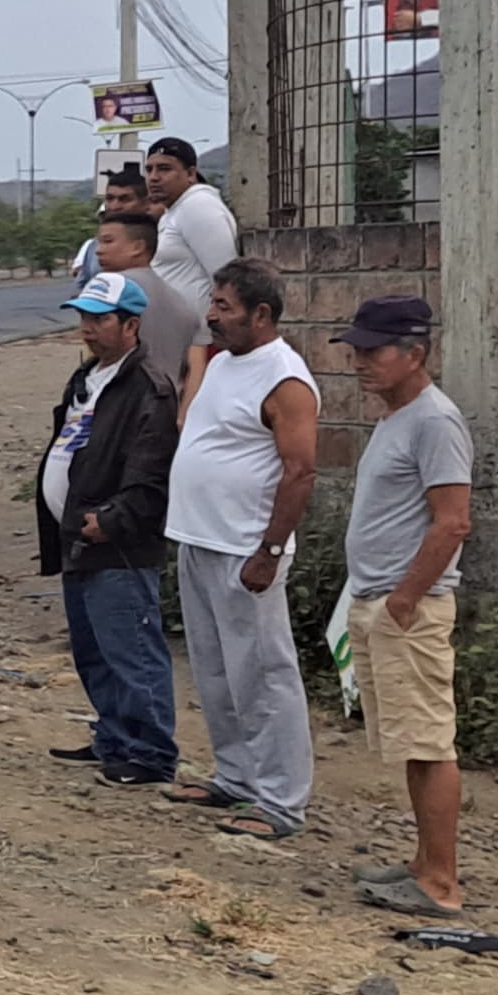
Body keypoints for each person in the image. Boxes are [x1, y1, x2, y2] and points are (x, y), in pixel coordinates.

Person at [333, 295, 476, 916]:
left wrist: (405, 598)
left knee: (429, 741)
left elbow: (452, 523)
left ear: (415, 353)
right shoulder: (398, 417)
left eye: (374, 351)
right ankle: (423, 864)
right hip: (382, 600)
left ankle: (442, 882)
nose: (360, 362)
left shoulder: (435, 421)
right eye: (357, 351)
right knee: (411, 743)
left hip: (408, 608)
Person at [169, 258, 319, 837]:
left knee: (263, 675)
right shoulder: (224, 363)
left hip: (244, 549)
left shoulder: (284, 378)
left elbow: (300, 471)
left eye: (224, 306)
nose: (211, 314)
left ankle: (281, 801)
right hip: (200, 538)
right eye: (213, 302)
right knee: (214, 670)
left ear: (261, 314)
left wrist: (270, 550)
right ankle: (235, 776)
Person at [35, 272, 178, 783]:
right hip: (78, 538)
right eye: (84, 318)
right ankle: (114, 737)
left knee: (130, 649)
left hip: (114, 543)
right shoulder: (90, 377)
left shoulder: (149, 388)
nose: (88, 329)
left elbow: (150, 468)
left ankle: (149, 754)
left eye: (100, 320)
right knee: (93, 650)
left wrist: (111, 521)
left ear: (131, 324)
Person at [142, 137, 241, 341]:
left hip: (200, 342)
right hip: (178, 339)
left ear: (190, 174)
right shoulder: (175, 210)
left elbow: (226, 277)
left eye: (164, 169)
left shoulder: (198, 206)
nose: (153, 177)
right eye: (149, 169)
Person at [93, 206, 199, 393]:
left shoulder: (111, 287)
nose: (99, 251)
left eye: (107, 242)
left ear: (138, 247)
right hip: (167, 402)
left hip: (123, 397)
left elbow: (99, 344)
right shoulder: (178, 300)